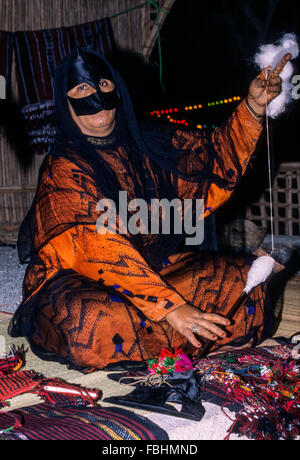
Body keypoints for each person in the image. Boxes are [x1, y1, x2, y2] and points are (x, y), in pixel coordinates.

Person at [9, 48, 290, 372]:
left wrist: (254, 106)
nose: (96, 95)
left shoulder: (148, 144)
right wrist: (172, 308)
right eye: (82, 89)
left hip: (148, 270)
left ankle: (167, 334)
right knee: (88, 324)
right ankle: (176, 331)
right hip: (78, 283)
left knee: (240, 280)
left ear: (117, 89)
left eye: (102, 83)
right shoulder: (63, 167)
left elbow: (213, 162)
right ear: (65, 102)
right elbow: (98, 247)